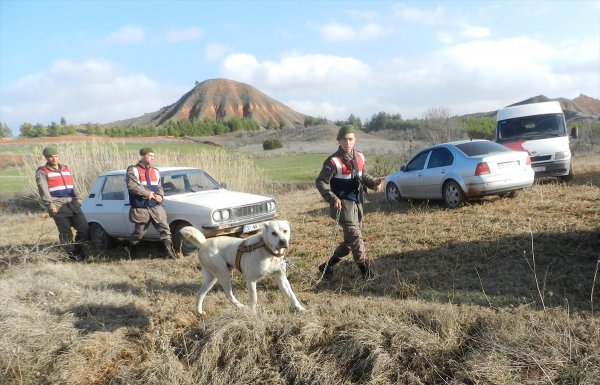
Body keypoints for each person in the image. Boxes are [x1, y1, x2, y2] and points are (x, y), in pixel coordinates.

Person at [315, 125, 382, 279]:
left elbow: (363, 176)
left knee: (349, 243)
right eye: (344, 139)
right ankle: (367, 274)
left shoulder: (360, 157)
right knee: (356, 237)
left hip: (358, 204)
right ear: (338, 140)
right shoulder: (333, 161)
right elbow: (321, 182)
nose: (347, 142)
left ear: (355, 140)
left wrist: (374, 183)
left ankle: (326, 266)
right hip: (343, 206)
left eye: (350, 139)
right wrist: (333, 198)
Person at [35, 146, 89, 258]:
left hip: (73, 204)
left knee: (84, 228)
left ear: (59, 156)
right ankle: (70, 254)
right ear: (46, 158)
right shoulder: (42, 172)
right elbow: (43, 190)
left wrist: (79, 199)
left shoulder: (65, 168)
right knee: (65, 232)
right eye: (50, 157)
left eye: (56, 156)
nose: (54, 159)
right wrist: (50, 205)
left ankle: (78, 249)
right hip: (58, 205)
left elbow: (74, 185)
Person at [126, 148, 177, 258]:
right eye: (150, 155)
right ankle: (132, 254)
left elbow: (159, 187)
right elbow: (132, 186)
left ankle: (171, 255)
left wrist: (160, 195)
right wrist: (147, 194)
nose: (152, 157)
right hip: (141, 209)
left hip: (156, 207)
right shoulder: (132, 170)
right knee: (138, 234)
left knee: (165, 230)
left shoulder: (156, 171)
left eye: (153, 155)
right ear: (142, 156)